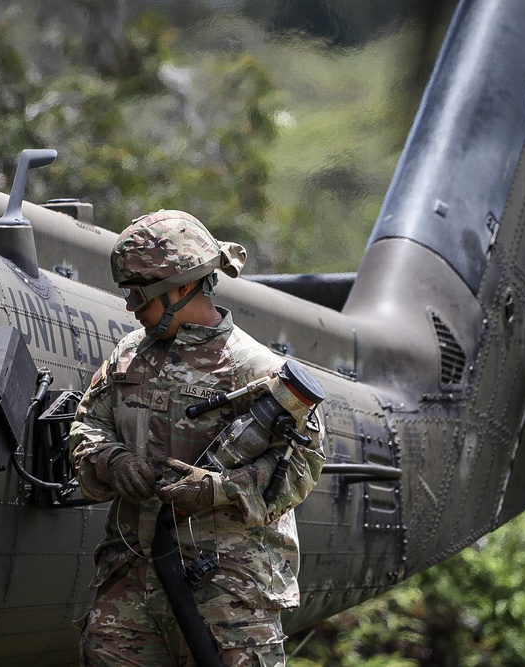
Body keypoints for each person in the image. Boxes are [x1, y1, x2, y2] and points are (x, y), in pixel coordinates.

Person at [70, 210, 325, 666]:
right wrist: (114, 462)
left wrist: (217, 490)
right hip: (131, 586)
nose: (131, 306)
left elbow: (302, 466)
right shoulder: (130, 355)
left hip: (226, 595)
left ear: (184, 287)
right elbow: (88, 422)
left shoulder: (256, 370)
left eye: (140, 295)